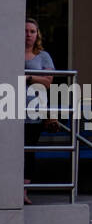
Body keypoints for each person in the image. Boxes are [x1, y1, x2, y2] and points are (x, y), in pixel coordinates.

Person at [24, 18, 55, 205]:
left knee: (28, 151)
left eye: (32, 31)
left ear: (37, 35)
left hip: (34, 110)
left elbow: (48, 81)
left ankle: (24, 191)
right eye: (25, 31)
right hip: (9, 107)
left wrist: (28, 77)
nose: (28, 35)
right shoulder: (10, 52)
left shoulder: (43, 56)